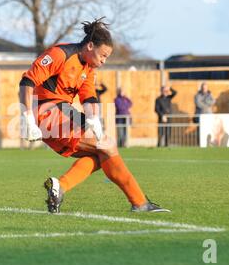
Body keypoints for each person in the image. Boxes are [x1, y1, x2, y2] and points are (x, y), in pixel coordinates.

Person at [19, 18, 169, 214]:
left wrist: (93, 119)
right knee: (107, 145)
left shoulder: (89, 68)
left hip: (62, 111)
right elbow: (27, 81)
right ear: (90, 45)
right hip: (48, 111)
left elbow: (88, 96)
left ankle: (60, 187)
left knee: (99, 154)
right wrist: (28, 118)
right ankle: (140, 203)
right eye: (103, 55)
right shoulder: (59, 54)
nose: (104, 61)